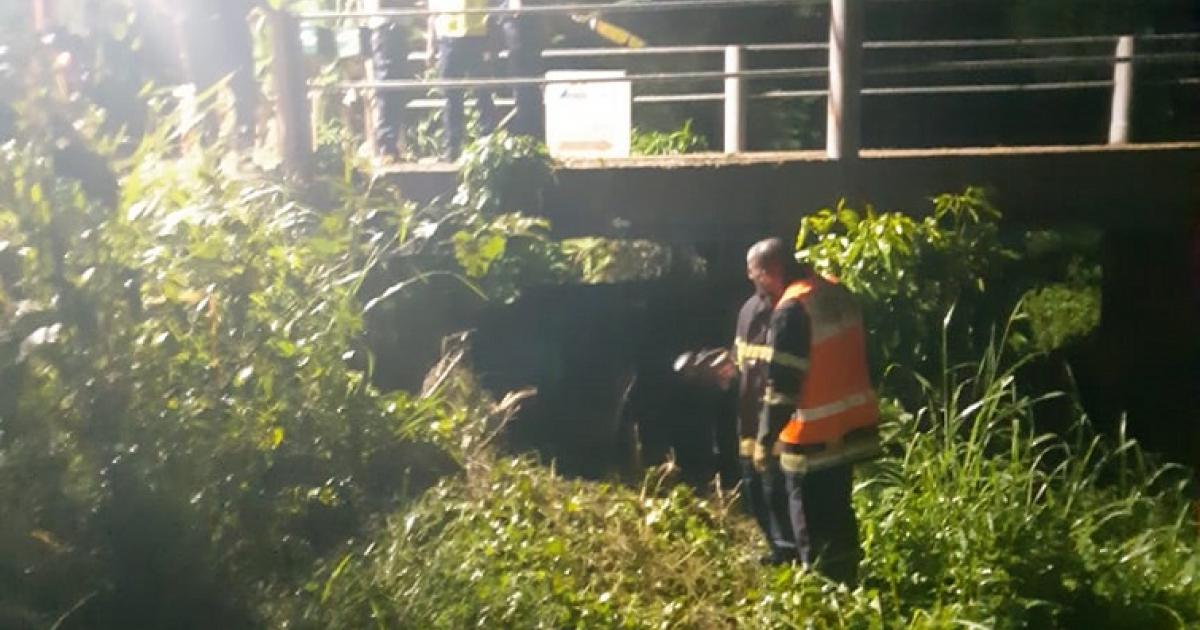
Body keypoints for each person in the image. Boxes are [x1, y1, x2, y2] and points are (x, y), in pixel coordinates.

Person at [748, 238, 878, 584]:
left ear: (772, 271)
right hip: (851, 428)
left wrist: (764, 441)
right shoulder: (836, 292)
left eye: (755, 276)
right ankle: (849, 579)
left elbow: (782, 389)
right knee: (839, 508)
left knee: (809, 516)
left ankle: (821, 590)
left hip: (813, 436)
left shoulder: (792, 309)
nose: (755, 287)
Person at [719, 290, 798, 565]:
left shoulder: (793, 310)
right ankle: (778, 549)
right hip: (750, 418)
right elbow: (738, 356)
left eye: (756, 271)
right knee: (754, 488)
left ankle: (792, 553)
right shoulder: (748, 310)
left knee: (779, 490)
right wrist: (724, 370)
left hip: (783, 421)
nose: (751, 277)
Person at [427, 0, 497, 160]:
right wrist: (431, 45)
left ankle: (486, 144)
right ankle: (453, 147)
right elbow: (433, 10)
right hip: (450, 35)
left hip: (477, 34)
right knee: (452, 95)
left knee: (483, 93)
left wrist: (492, 40)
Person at [496, 0, 544, 141]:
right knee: (525, 84)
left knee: (524, 83)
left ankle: (528, 132)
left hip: (521, 27)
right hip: (521, 26)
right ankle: (530, 132)